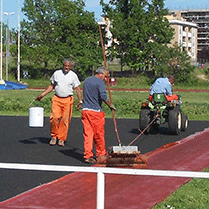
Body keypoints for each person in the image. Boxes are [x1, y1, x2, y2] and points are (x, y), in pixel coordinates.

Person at [35, 58, 82, 146]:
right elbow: (51, 86)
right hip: (57, 99)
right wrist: (42, 95)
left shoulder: (73, 76)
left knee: (65, 120)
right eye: (65, 65)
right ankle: (54, 136)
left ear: (71, 66)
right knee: (54, 118)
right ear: (63, 65)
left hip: (68, 100)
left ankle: (61, 138)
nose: (66, 67)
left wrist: (80, 100)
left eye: (68, 66)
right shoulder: (57, 73)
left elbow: (78, 89)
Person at [81, 66, 115, 164]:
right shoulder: (99, 82)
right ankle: (101, 154)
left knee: (88, 134)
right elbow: (103, 96)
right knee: (99, 134)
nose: (105, 78)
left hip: (85, 110)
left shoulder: (87, 80)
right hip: (95, 112)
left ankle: (88, 155)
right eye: (105, 76)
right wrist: (110, 105)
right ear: (100, 74)